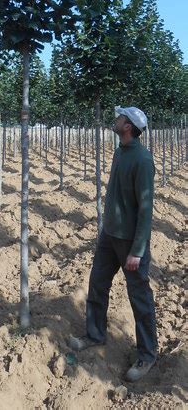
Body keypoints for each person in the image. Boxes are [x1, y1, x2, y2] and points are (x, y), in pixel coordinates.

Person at [70, 106, 158, 382]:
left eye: (120, 118)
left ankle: (147, 354)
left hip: (130, 242)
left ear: (128, 126)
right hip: (109, 236)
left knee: (139, 299)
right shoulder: (120, 151)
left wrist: (138, 250)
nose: (115, 119)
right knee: (97, 284)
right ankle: (95, 334)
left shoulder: (143, 160)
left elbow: (146, 209)